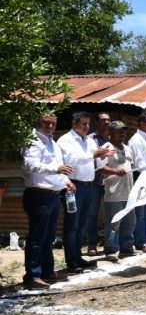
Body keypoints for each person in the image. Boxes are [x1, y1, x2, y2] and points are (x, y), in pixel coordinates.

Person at [21, 114, 75, 289]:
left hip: (52, 195)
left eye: (53, 123)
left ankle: (47, 270)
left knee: (49, 237)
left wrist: (66, 181)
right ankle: (32, 275)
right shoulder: (32, 140)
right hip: (38, 195)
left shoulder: (53, 142)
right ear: (38, 122)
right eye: (47, 122)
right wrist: (56, 169)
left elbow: (60, 168)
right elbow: (30, 165)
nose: (50, 126)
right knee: (37, 237)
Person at [57, 111, 114, 273]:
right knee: (72, 224)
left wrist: (105, 154)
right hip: (73, 186)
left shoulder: (88, 141)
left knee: (82, 224)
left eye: (88, 124)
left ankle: (78, 256)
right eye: (83, 124)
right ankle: (71, 261)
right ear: (74, 124)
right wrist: (93, 154)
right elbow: (70, 160)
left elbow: (96, 163)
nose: (86, 127)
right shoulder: (65, 140)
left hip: (89, 186)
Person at [98, 121, 134, 261]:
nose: (122, 133)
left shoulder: (128, 148)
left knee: (130, 221)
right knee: (113, 223)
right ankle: (111, 249)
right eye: (119, 131)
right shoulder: (106, 148)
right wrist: (115, 171)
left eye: (124, 131)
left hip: (129, 191)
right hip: (114, 192)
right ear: (110, 133)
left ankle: (126, 247)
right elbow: (100, 167)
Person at [128, 113, 146, 252]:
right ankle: (140, 242)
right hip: (140, 178)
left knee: (145, 213)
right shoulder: (137, 140)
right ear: (142, 124)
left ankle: (144, 239)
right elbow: (140, 164)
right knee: (139, 213)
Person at [85, 112, 110, 256]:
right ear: (97, 122)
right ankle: (92, 245)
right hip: (94, 181)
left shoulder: (113, 137)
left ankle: (110, 244)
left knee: (111, 212)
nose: (106, 122)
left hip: (111, 182)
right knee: (92, 214)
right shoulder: (90, 139)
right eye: (103, 120)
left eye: (108, 120)